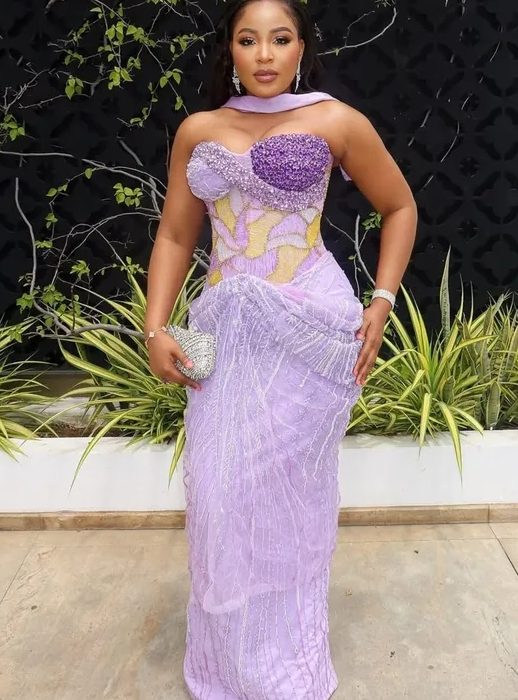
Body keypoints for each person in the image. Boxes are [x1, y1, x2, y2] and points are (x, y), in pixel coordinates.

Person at [144, 0, 417, 697]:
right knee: (219, 495)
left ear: (301, 48)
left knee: (290, 497)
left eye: (280, 38)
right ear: (230, 51)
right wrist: (155, 327)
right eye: (248, 39)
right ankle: (228, 664)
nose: (264, 54)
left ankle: (286, 665)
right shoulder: (199, 130)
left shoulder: (335, 121)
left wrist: (382, 302)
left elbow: (400, 206)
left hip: (309, 330)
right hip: (226, 329)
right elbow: (175, 234)